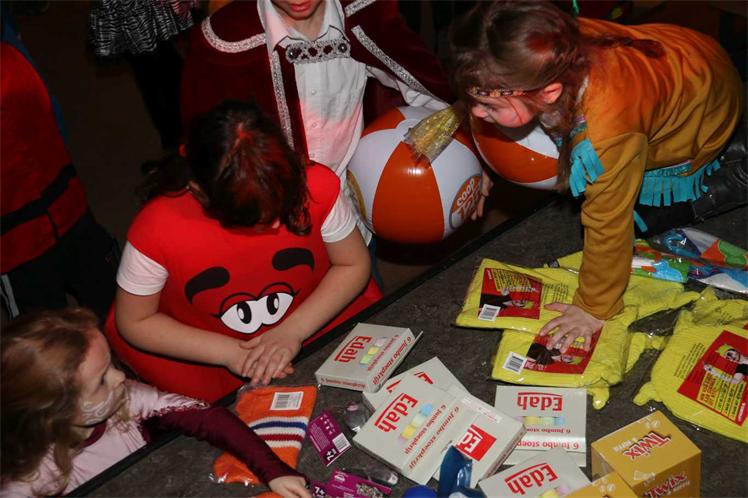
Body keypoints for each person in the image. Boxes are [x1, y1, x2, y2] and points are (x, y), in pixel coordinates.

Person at [449, 1, 745, 353]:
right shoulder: (541, 47)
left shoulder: (608, 134)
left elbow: (609, 224)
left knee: (645, 219)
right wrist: (482, 156)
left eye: (490, 106)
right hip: (685, 52)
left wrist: (593, 307)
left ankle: (734, 177)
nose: (478, 113)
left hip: (704, 107)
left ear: (549, 93)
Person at [107, 100, 381, 402]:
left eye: (283, 207)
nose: (276, 223)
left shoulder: (315, 186)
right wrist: (231, 353)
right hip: (210, 350)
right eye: (252, 221)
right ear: (198, 190)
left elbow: (352, 264)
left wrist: (293, 330)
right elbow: (135, 321)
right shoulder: (156, 228)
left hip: (313, 318)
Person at [180, 0, 459, 288]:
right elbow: (206, 147)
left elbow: (429, 90)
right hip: (268, 226)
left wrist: (468, 157)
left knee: (364, 298)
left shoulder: (364, 15)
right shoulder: (225, 40)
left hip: (348, 217)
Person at [0, 307, 310, 498]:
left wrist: (273, 470)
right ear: (53, 411)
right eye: (101, 380)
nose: (120, 377)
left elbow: (208, 417)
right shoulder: (25, 482)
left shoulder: (125, 398)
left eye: (112, 364)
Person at [0, 14, 119, 323]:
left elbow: (52, 125)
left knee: (113, 310)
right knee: (48, 340)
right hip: (17, 246)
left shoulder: (10, 58)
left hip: (68, 210)